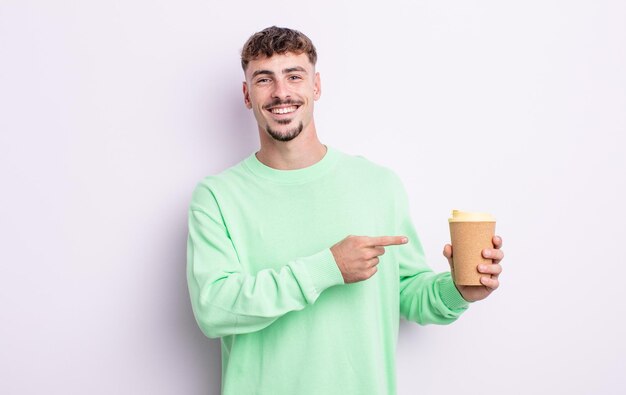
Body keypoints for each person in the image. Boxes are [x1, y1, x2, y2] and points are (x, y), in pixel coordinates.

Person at [186, 26, 504, 395]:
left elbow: (409, 293)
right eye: (264, 79)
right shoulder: (217, 197)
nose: (281, 92)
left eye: (294, 76)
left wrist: (459, 290)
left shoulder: (377, 185)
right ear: (247, 94)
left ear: (316, 86)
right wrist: (328, 267)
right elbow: (214, 309)